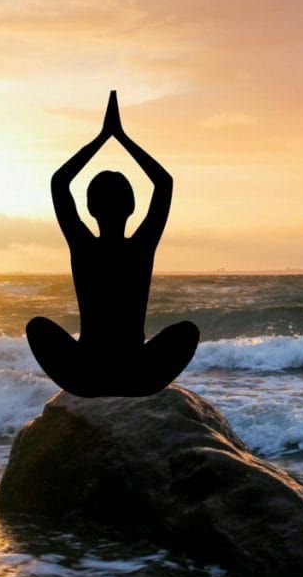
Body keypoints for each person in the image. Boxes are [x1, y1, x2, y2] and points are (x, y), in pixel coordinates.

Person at [26, 91, 199, 397]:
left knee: (36, 326)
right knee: (188, 331)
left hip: (86, 377)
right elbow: (164, 183)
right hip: (137, 376)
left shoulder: (82, 244)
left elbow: (59, 182)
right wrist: (122, 138)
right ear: (132, 207)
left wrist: (102, 137)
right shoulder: (142, 246)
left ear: (90, 209)